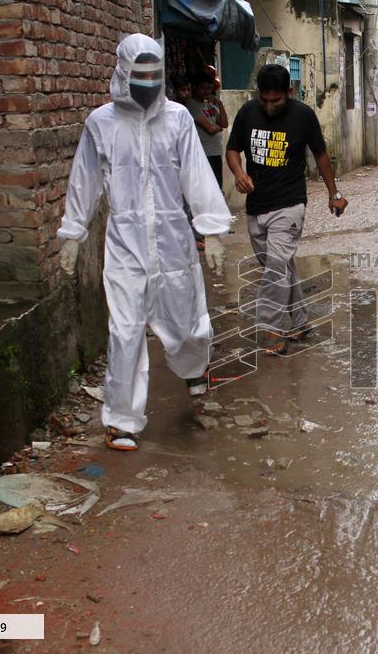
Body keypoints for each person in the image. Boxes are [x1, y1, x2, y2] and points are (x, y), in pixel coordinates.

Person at [56, 33, 232, 452]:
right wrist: (72, 234)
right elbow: (84, 180)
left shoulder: (177, 119)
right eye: (141, 74)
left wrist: (213, 229)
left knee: (189, 324)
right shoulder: (101, 123)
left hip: (174, 241)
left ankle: (193, 370)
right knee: (125, 331)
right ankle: (122, 420)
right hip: (125, 245)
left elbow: (195, 175)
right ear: (122, 72)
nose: (149, 82)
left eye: (156, 75)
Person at [225, 64, 348, 356]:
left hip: (290, 204)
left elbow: (321, 154)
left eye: (276, 101)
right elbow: (232, 150)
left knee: (276, 267)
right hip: (256, 206)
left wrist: (335, 194)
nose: (269, 106)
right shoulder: (247, 113)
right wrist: (238, 173)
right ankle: (301, 321)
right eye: (265, 100)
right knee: (276, 267)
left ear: (289, 92)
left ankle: (273, 330)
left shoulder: (303, 115)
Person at [185, 76, 228, 190]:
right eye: (203, 88)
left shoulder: (210, 103)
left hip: (216, 152)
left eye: (209, 88)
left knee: (218, 187)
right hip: (204, 153)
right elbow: (210, 129)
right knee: (208, 188)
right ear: (194, 88)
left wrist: (219, 103)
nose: (207, 91)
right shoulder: (191, 104)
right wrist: (217, 128)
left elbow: (224, 123)